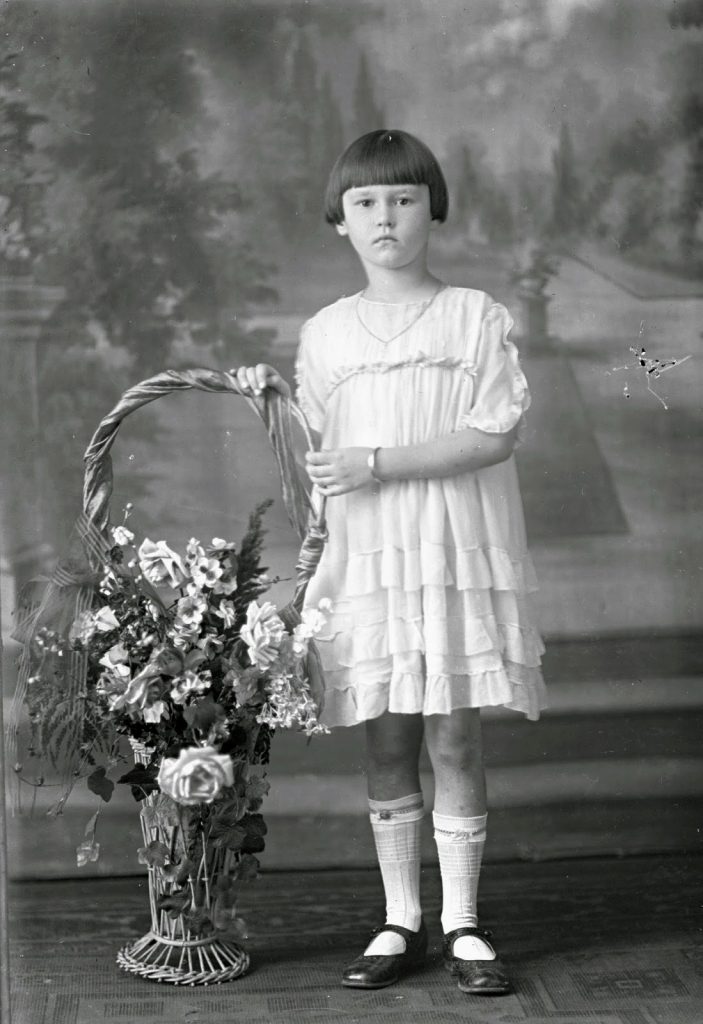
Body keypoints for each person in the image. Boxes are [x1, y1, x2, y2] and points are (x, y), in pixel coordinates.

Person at [234, 129, 546, 997]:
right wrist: (272, 404)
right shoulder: (327, 333)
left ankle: (463, 923)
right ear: (340, 220)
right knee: (387, 735)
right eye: (366, 202)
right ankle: (400, 918)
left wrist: (379, 462)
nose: (385, 218)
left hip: (447, 546)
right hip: (372, 554)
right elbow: (318, 462)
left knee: (453, 733)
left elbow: (493, 434)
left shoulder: (473, 317)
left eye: (404, 199)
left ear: (431, 210)